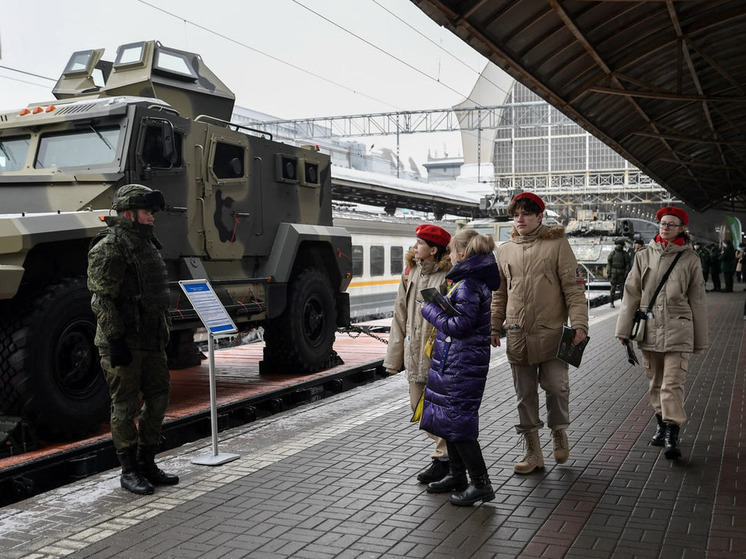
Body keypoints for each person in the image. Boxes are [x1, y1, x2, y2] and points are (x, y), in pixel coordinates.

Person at [88, 184, 179, 495]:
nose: (151, 217)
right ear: (129, 213)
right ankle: (128, 470)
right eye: (146, 212)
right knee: (125, 405)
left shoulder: (146, 243)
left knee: (159, 398)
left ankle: (147, 461)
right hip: (124, 341)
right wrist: (115, 341)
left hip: (151, 340)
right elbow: (102, 300)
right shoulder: (110, 246)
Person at [491, 192, 589, 475]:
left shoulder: (557, 244)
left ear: (539, 216)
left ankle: (558, 431)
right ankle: (533, 451)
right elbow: (500, 294)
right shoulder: (505, 250)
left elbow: (573, 288)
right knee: (524, 394)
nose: (519, 219)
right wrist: (495, 325)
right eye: (515, 214)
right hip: (518, 333)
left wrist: (579, 324)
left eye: (526, 213)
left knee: (557, 388)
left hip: (553, 332)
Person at [615, 206, 708, 460]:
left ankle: (672, 434)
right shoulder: (643, 256)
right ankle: (661, 424)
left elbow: (697, 299)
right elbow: (631, 293)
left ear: (681, 229)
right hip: (649, 329)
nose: (665, 227)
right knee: (655, 383)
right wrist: (623, 330)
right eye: (662, 223)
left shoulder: (690, 259)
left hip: (679, 329)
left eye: (671, 224)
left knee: (672, 384)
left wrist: (700, 340)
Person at [419, 228, 500, 506]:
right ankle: (457, 476)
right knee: (450, 422)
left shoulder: (467, 284)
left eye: (452, 251)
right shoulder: (468, 281)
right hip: (455, 361)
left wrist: (430, 310)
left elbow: (460, 325)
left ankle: (481, 484)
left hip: (462, 364)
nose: (450, 256)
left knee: (460, 424)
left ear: (463, 254)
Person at [384, 224, 452, 484]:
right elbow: (399, 314)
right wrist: (394, 359)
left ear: (433, 250)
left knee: (439, 410)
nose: (415, 246)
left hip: (438, 354)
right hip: (415, 353)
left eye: (421, 243)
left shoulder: (448, 275)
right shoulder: (410, 272)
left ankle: (444, 459)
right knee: (418, 407)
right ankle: (450, 453)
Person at [607, 239, 632, 308]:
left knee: (614, 288)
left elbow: (609, 264)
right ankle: (621, 302)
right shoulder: (624, 254)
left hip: (614, 273)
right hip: (620, 273)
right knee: (621, 289)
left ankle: (612, 302)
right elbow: (628, 264)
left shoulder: (613, 253)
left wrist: (609, 273)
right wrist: (627, 272)